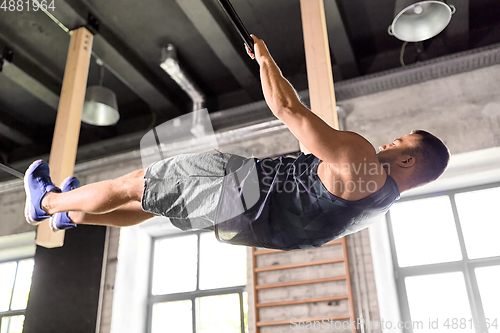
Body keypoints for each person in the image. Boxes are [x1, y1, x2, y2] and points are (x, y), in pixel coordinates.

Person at [23, 35, 450, 250]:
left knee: (140, 182)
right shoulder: (377, 207)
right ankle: (73, 216)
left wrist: (265, 59)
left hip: (240, 192)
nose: (388, 143)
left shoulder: (362, 165)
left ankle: (45, 203)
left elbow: (289, 111)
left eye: (398, 142)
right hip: (241, 224)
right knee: (152, 204)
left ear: (410, 160)